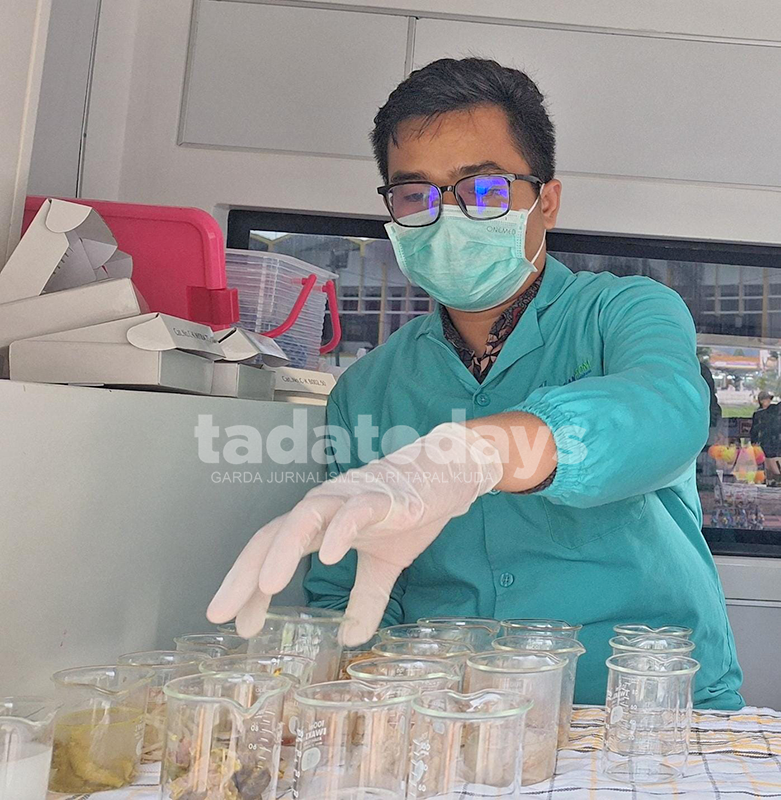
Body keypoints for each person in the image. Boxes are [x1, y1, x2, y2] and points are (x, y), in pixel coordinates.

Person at [209, 58, 743, 708]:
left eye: (483, 190)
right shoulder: (368, 388)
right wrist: (330, 677)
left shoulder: (623, 311)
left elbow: (664, 414)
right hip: (455, 715)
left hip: (651, 703)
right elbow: (351, 589)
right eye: (416, 194)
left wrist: (477, 453)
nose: (448, 217)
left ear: (546, 200)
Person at [751, 390, 781, 485]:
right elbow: (754, 429)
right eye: (766, 399)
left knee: (774, 459)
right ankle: (771, 479)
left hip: (774, 440)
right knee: (767, 460)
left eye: (769, 399)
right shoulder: (758, 414)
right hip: (764, 441)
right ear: (762, 401)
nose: (768, 401)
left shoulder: (774, 411)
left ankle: (774, 479)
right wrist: (754, 441)